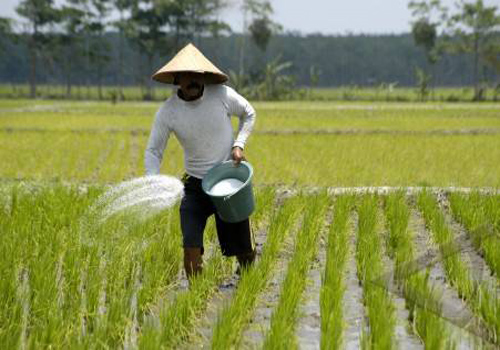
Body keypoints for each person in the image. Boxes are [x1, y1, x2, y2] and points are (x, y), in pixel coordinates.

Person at [144, 43, 257, 280]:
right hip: (195, 187)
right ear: (177, 79)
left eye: (197, 75)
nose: (193, 81)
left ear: (204, 76)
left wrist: (239, 144)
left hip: (227, 183)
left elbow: (249, 113)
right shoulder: (168, 112)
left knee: (244, 253)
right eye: (187, 76)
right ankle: (197, 296)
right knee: (190, 250)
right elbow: (154, 150)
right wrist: (152, 179)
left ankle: (247, 283)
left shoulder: (221, 94)